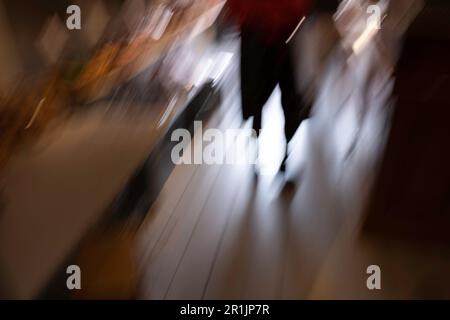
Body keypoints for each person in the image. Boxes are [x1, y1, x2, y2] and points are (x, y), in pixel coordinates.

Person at [226, 0, 338, 172]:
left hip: (257, 34)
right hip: (287, 34)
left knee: (257, 94)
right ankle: (285, 153)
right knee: (289, 96)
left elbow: (234, 7)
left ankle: (258, 151)